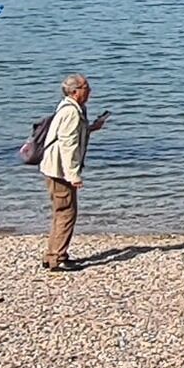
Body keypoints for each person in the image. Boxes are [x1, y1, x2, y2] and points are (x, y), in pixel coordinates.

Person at [37, 75, 112, 271]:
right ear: (75, 91)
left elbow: (71, 135)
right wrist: (73, 175)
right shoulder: (71, 112)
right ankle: (57, 258)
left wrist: (91, 128)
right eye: (86, 87)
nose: (89, 91)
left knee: (61, 212)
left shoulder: (70, 108)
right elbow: (67, 145)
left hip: (54, 168)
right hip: (59, 171)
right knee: (66, 213)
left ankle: (53, 254)